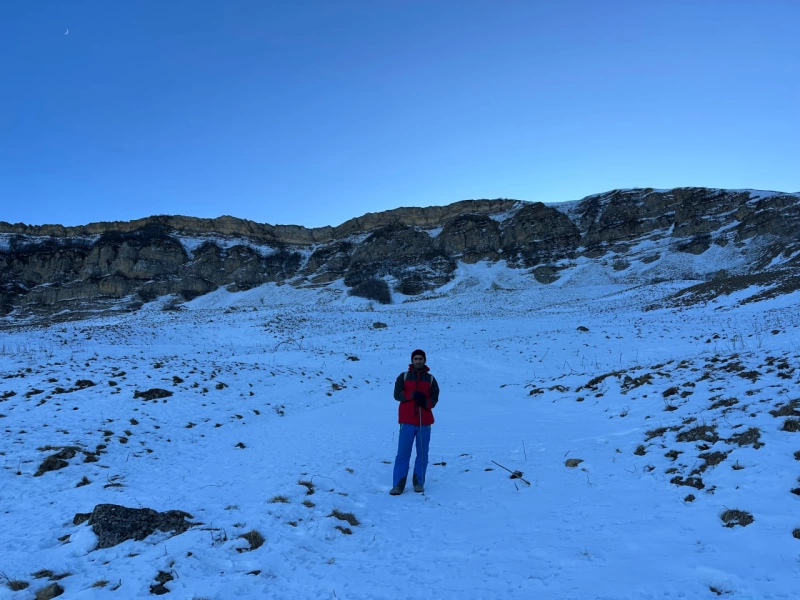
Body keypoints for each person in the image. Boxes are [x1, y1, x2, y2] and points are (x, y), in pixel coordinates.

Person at [390, 349, 439, 495]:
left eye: (421, 358)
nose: (418, 361)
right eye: (416, 358)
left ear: (425, 360)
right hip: (407, 421)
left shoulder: (430, 379)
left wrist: (425, 402)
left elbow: (434, 399)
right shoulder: (403, 377)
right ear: (412, 360)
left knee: (423, 453)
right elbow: (397, 394)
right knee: (403, 453)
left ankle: (419, 482)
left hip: (424, 422)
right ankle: (398, 484)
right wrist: (412, 395)